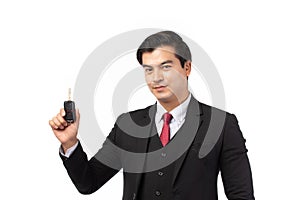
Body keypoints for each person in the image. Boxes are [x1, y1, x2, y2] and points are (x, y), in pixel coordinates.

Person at [49, 31, 255, 200]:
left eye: (166, 67)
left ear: (187, 67)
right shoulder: (127, 124)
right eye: (148, 70)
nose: (156, 78)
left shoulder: (221, 124)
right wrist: (70, 144)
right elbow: (88, 183)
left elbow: (241, 195)